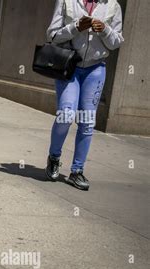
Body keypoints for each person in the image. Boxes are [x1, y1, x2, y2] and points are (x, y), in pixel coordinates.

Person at [45, 0, 124, 190]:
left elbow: (116, 42)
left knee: (87, 120)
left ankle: (77, 171)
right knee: (66, 114)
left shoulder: (113, 5)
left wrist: (104, 29)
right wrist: (75, 27)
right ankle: (54, 157)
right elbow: (52, 35)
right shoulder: (66, 1)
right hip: (69, 66)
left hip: (95, 68)